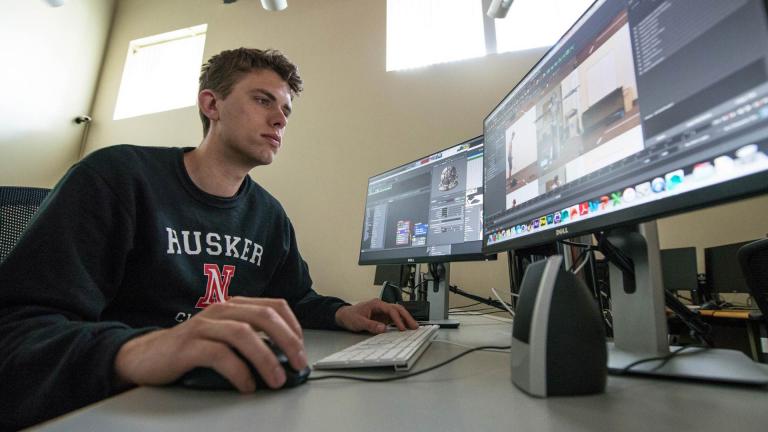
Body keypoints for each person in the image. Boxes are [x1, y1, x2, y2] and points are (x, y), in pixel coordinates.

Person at [0, 48, 417, 430]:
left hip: (220, 408)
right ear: (211, 104)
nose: (280, 119)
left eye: (286, 110)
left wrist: (343, 313)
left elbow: (295, 299)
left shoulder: (269, 216)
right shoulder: (116, 178)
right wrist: (141, 349)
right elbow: (17, 332)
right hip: (112, 406)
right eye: (262, 100)